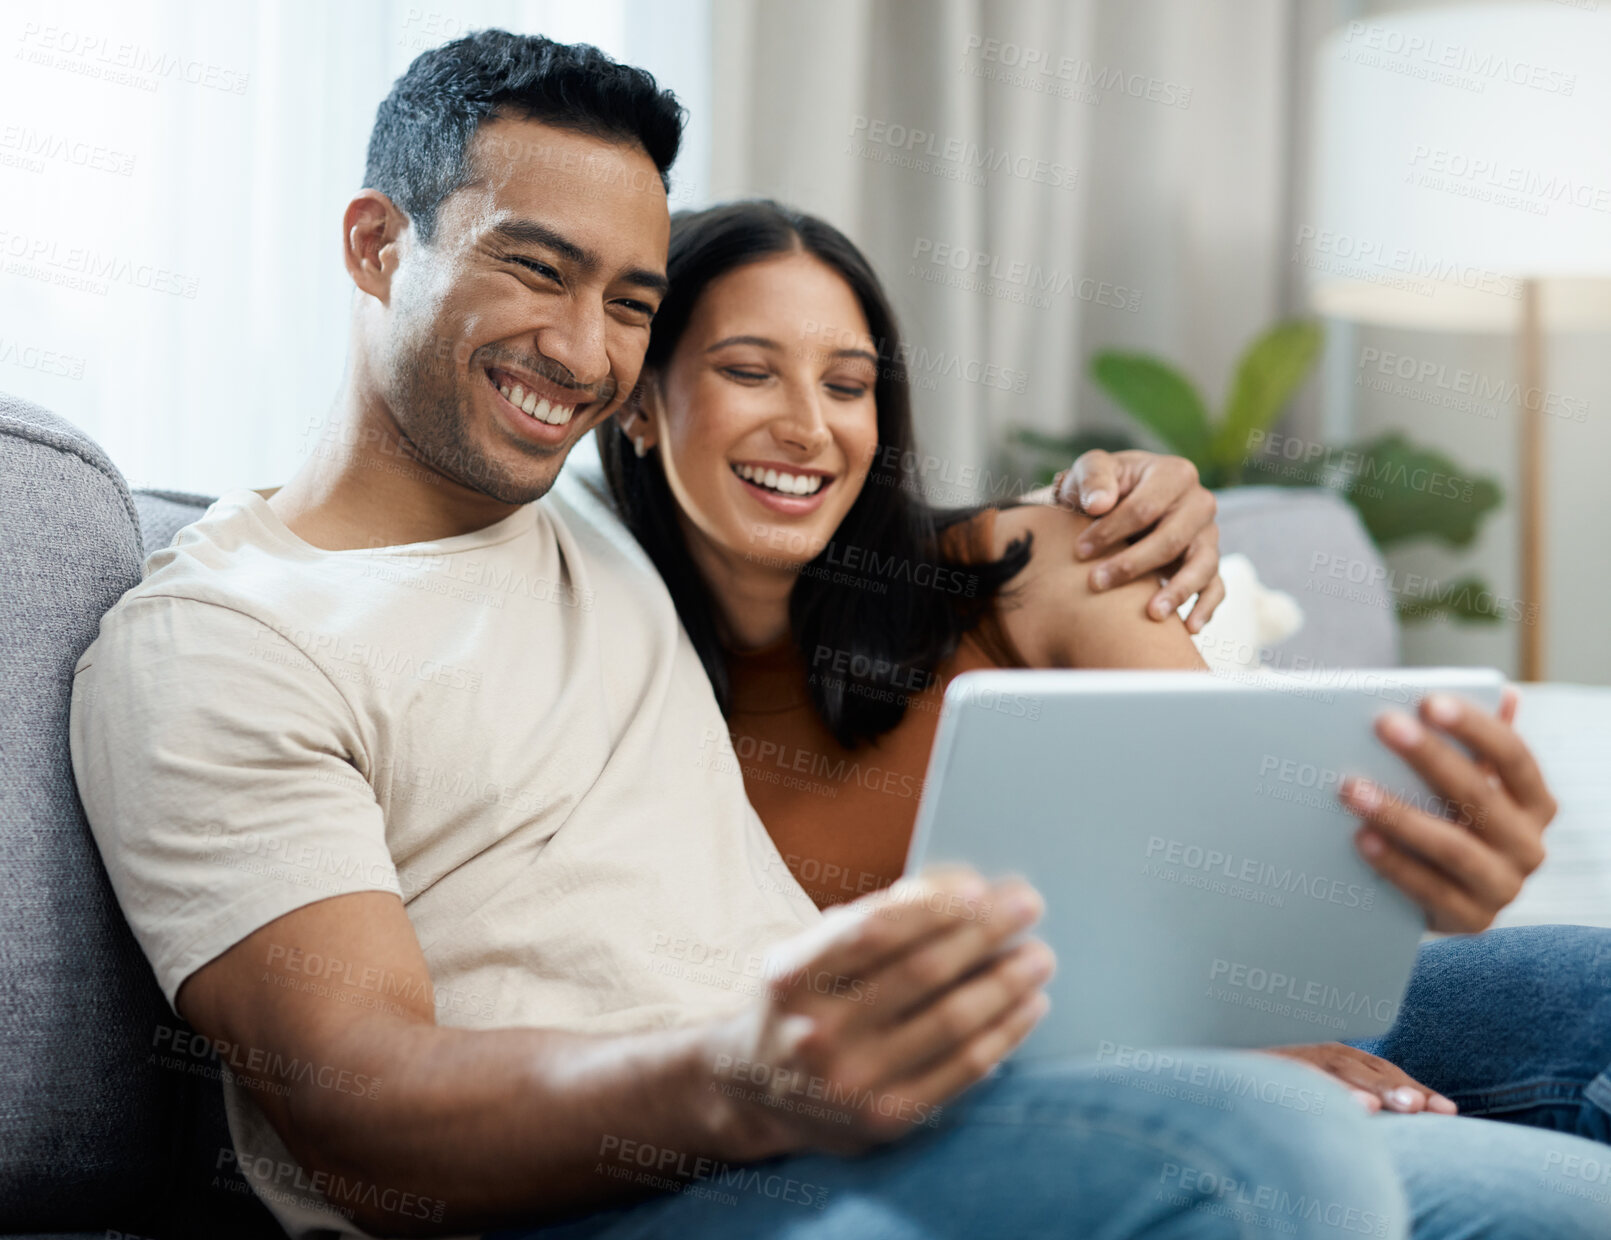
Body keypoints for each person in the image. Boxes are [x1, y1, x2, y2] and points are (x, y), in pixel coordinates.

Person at [66, 31, 1607, 1240]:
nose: (581, 349)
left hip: (879, 1098)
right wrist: (742, 1077)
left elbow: (867, 539)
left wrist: (1134, 495)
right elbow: (359, 1104)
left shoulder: (596, 534)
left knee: (1580, 1004)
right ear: (369, 244)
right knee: (1260, 1145)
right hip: (623, 1192)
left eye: (627, 302)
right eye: (533, 267)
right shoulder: (222, 640)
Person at [596, 196, 1611, 1134]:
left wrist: (1413, 882)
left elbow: (1245, 858)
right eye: (746, 369)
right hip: (1025, 1100)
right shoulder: (610, 680)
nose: (810, 426)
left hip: (1267, 1019)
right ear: (639, 404)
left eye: (847, 384)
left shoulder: (1038, 569)